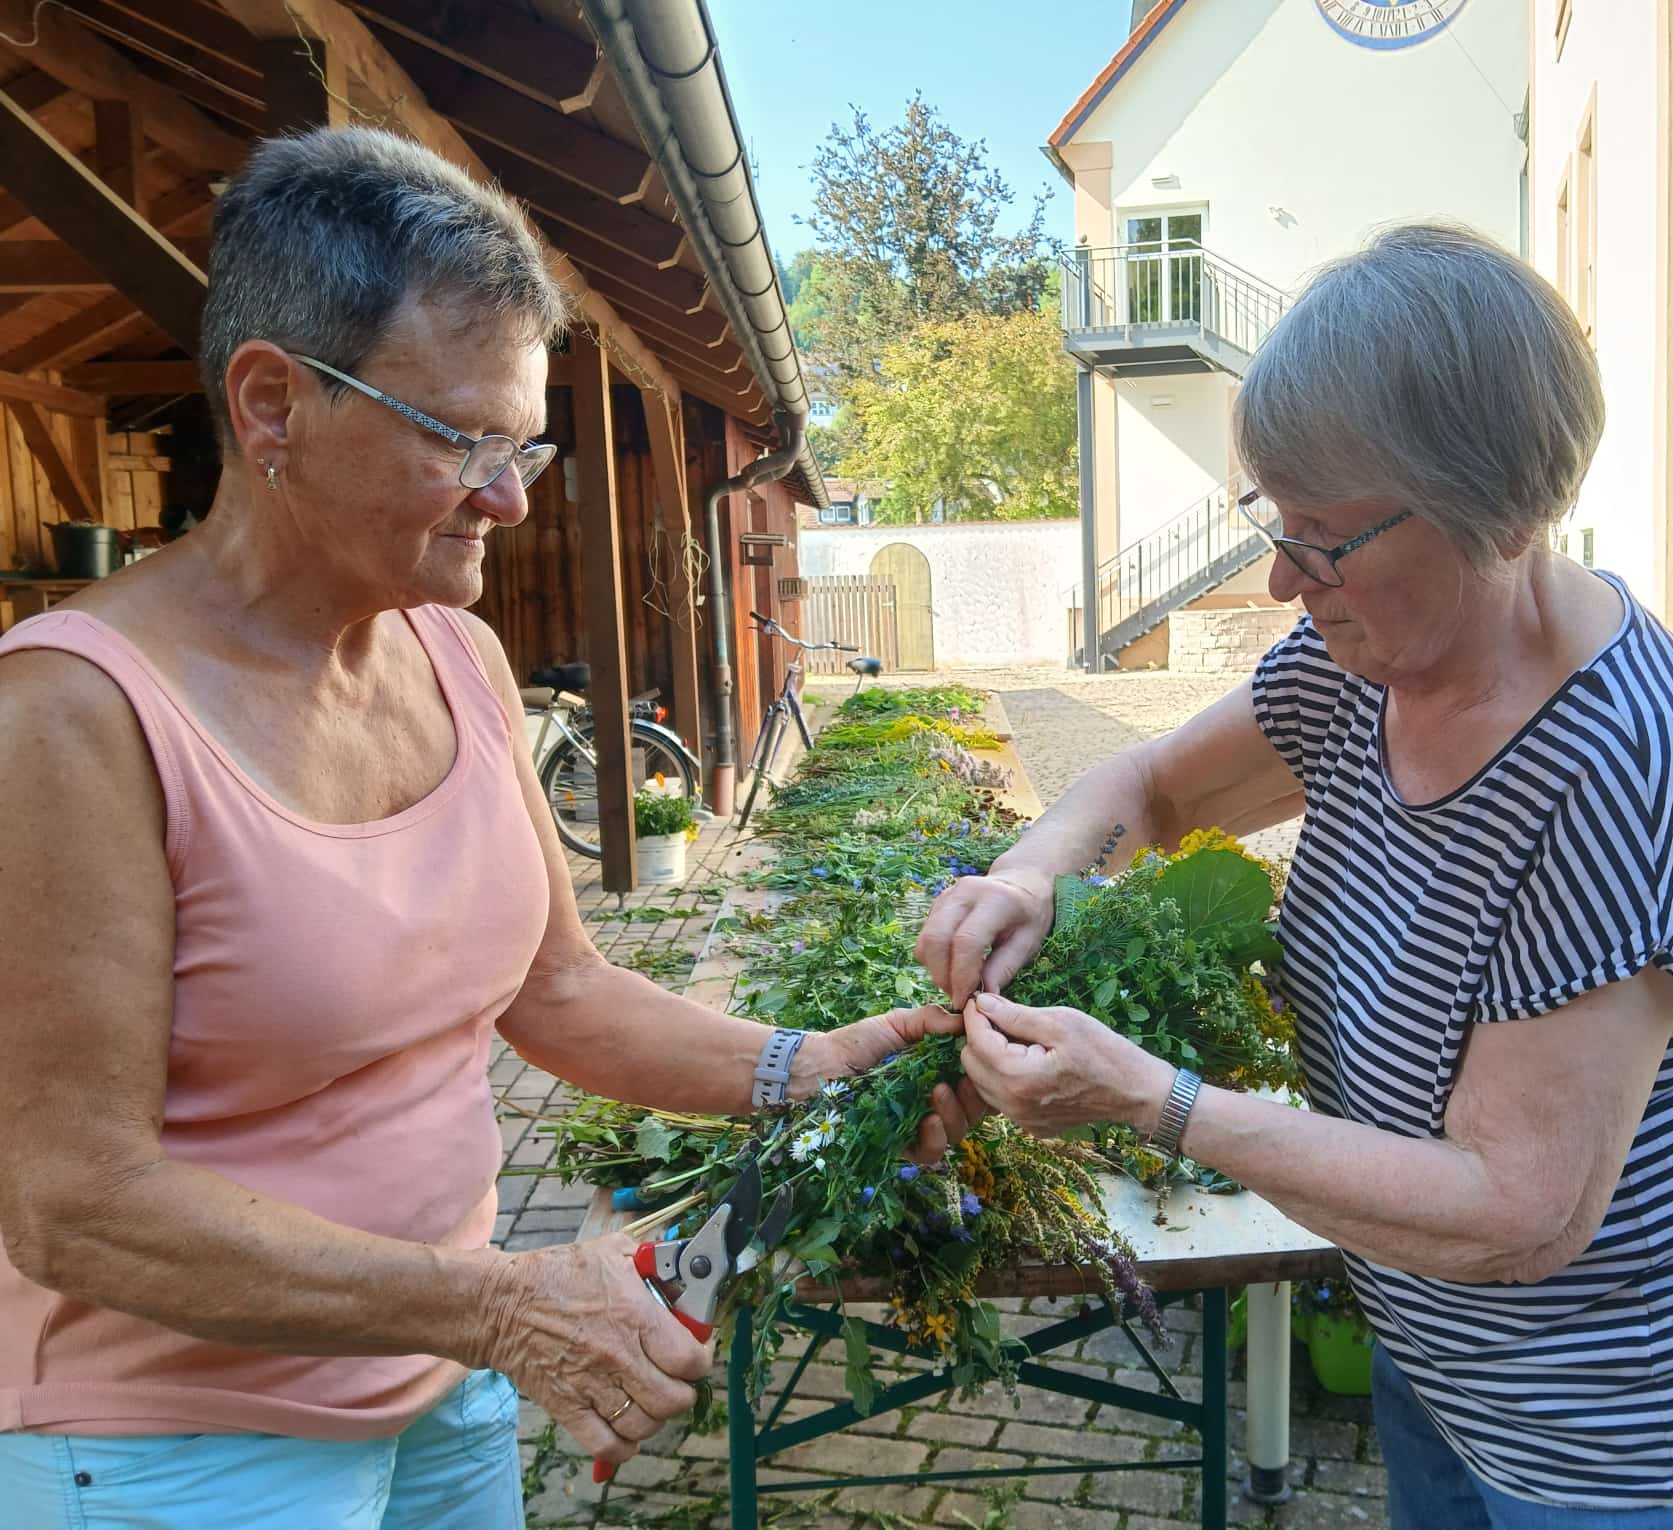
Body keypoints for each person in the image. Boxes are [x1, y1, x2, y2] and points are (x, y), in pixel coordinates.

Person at [0, 128, 969, 1529]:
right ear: (272, 404)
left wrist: (803, 1070)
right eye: (463, 439)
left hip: (442, 1383)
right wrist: (505, 1306)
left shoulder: (456, 655)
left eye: (524, 443)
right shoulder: (71, 719)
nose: (511, 498)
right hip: (184, 1446)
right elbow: (73, 1202)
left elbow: (556, 988)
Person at [919, 224, 1673, 1527]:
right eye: (1275, 520)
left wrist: (1151, 1101)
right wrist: (1029, 876)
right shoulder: (1363, 666)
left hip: (1627, 1432)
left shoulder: (1622, 769)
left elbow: (1519, 1211)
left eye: (1325, 537)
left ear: (1499, 514)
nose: (1282, 579)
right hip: (1442, 1353)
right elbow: (1157, 788)